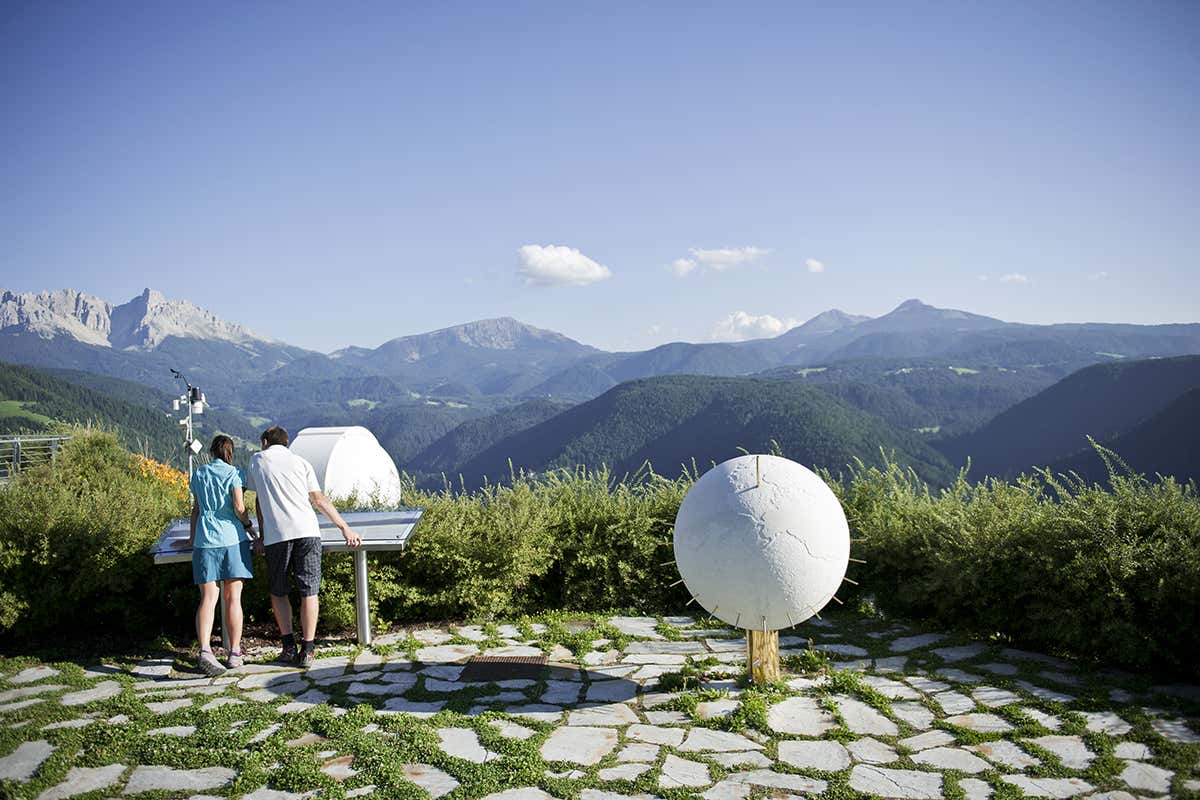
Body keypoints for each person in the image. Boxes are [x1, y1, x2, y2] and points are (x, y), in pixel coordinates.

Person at [247, 425, 361, 667]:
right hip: (308, 531)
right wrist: (345, 528)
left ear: (265, 441)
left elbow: (260, 500)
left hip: (277, 535)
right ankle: (308, 649)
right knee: (309, 590)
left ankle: (288, 646)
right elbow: (318, 499)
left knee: (279, 591)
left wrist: (261, 536)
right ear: (286, 443)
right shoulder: (301, 463)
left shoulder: (257, 460)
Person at [179, 434, 256, 676]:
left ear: (212, 452)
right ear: (230, 453)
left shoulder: (199, 474)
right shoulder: (235, 473)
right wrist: (247, 524)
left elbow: (196, 510)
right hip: (232, 539)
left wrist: (192, 538)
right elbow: (239, 507)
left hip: (205, 540)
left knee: (208, 598)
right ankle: (234, 653)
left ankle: (205, 650)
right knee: (233, 598)